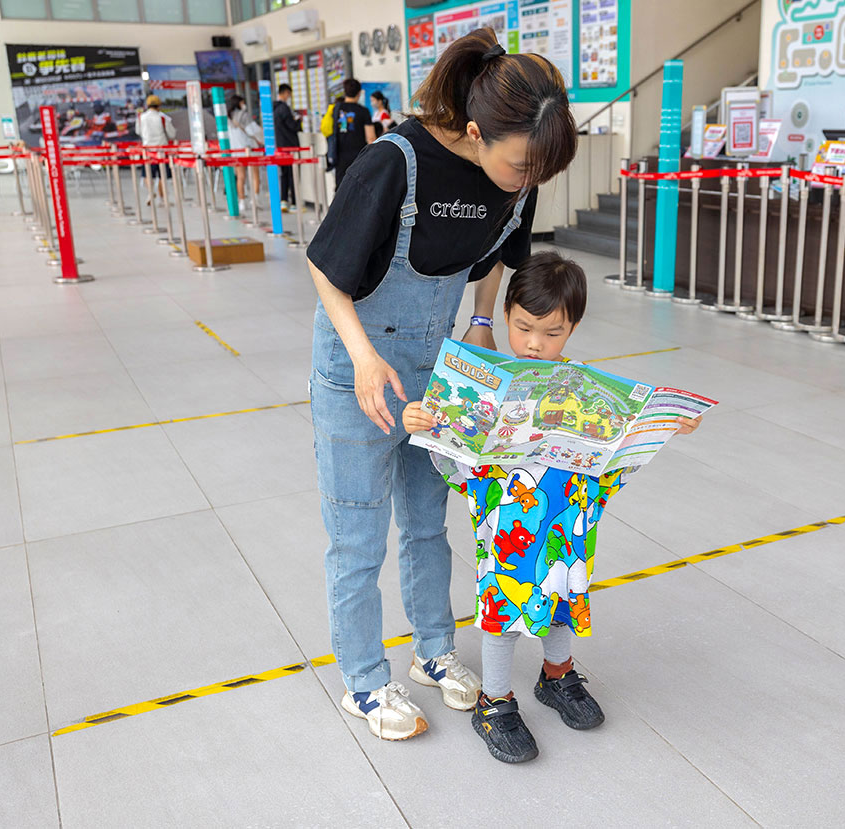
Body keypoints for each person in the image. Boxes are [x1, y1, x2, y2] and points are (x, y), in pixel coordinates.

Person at [306, 28, 577, 742]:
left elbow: (499, 251)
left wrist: (483, 320)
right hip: (357, 371)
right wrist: (364, 358)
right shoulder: (392, 163)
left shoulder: (517, 177)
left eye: (537, 171)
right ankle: (363, 680)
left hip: (435, 374)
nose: (526, 181)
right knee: (357, 536)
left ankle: (432, 650)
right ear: (478, 131)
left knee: (431, 522)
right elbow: (328, 270)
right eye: (520, 164)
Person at [401, 253, 703, 763]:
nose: (536, 343)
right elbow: (453, 461)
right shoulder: (487, 383)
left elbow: (615, 455)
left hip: (568, 517)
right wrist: (424, 426)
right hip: (507, 522)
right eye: (523, 328)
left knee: (562, 592)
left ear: (574, 327)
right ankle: (494, 702)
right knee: (504, 612)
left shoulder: (584, 386)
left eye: (552, 332)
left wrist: (666, 426)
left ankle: (556, 674)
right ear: (505, 315)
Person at [331, 79, 376, 188]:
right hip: (359, 156)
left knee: (341, 188)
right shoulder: (363, 111)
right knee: (358, 188)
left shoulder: (336, 108)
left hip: (340, 155)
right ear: (359, 93)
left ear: (345, 92)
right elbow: (371, 138)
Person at [135, 94, 176, 204]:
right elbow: (172, 134)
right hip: (162, 150)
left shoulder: (141, 118)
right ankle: (162, 199)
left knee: (147, 174)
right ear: (159, 105)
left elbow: (138, 132)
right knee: (163, 175)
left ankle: (151, 192)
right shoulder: (163, 117)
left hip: (148, 150)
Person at [226, 94, 263, 211]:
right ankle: (255, 200)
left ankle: (241, 202)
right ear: (239, 103)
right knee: (255, 176)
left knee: (241, 177)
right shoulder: (244, 115)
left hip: (236, 150)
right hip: (249, 148)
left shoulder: (228, 117)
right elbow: (252, 130)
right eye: (242, 102)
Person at [273, 83, 303, 208]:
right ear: (285, 93)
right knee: (293, 174)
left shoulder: (273, 108)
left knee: (284, 174)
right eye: (289, 94)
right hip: (290, 145)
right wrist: (298, 121)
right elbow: (292, 126)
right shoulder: (284, 108)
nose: (289, 96)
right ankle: (294, 203)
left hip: (280, 145)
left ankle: (284, 201)